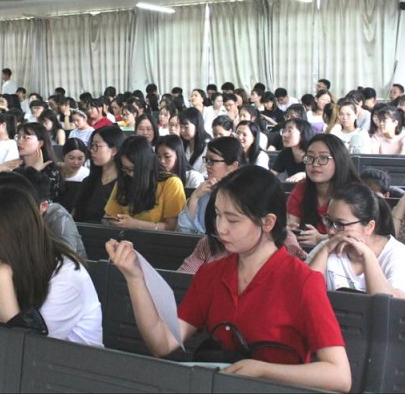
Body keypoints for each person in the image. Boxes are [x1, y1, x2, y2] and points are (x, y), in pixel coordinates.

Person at [106, 167, 351, 392]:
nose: (220, 228)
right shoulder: (211, 274)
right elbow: (162, 343)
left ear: (268, 222)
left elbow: (339, 375)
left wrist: (263, 371)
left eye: (233, 220)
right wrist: (135, 278)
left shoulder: (301, 281)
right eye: (217, 215)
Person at [0, 177, 103, 346]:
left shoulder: (67, 276)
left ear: (12, 239)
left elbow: (23, 348)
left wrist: (3, 277)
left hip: (71, 361)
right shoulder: (16, 263)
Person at [307, 183, 405, 298]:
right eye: (328, 221)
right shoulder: (326, 247)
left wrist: (368, 256)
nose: (331, 231)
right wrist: (324, 251)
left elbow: (396, 305)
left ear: (369, 227)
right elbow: (303, 292)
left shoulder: (399, 255)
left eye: (339, 224)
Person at [287, 134, 361, 248]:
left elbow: (359, 235)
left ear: (339, 160)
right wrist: (290, 231)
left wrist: (321, 239)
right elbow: (292, 224)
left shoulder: (355, 192)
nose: (315, 164)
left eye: (323, 158)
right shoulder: (302, 188)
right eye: (310, 157)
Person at [103, 136, 185, 231]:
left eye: (134, 169)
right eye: (126, 168)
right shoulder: (125, 179)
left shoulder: (171, 183)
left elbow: (172, 227)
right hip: (123, 237)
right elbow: (109, 216)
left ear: (147, 164)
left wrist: (134, 224)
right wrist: (112, 221)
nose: (130, 174)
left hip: (157, 239)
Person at [178, 136, 243, 234]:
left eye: (212, 161)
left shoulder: (242, 197)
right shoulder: (204, 190)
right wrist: (194, 197)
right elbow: (185, 232)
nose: (206, 165)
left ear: (232, 166)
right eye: (206, 160)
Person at [72, 126, 125, 223]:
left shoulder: (125, 184)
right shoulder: (88, 182)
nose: (92, 150)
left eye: (96, 145)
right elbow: (76, 215)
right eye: (91, 145)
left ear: (113, 150)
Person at [178, 108, 210, 175]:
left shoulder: (208, 146)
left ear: (197, 125)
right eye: (181, 127)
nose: (182, 130)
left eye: (186, 127)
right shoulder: (183, 144)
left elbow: (206, 171)